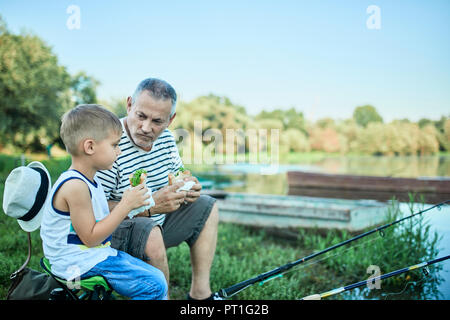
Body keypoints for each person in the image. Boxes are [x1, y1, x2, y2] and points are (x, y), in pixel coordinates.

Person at [97, 78, 220, 300]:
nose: (146, 128)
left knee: (207, 206)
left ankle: (200, 295)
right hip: (113, 235)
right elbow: (92, 208)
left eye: (157, 121)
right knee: (149, 230)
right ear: (129, 105)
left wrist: (188, 187)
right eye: (140, 116)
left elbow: (178, 173)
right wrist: (150, 206)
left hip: (157, 224)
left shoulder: (166, 140)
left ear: (170, 120)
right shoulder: (107, 141)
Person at [40, 104, 168, 300]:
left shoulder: (91, 180)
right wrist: (125, 205)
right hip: (76, 262)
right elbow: (91, 238)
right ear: (90, 146)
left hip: (91, 255)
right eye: (115, 145)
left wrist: (133, 204)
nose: (119, 152)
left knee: (157, 277)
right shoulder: (75, 186)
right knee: (155, 285)